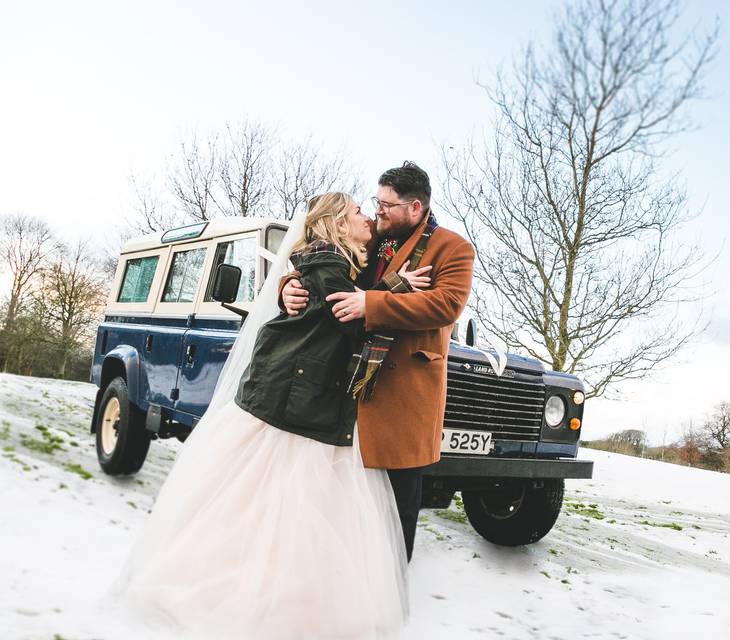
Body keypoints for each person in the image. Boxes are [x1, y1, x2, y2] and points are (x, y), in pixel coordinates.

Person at [114, 192, 430, 639]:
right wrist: (397, 290)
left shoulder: (334, 261)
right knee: (280, 506)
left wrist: (292, 286)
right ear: (338, 224)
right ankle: (256, 607)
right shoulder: (328, 263)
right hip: (295, 401)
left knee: (272, 508)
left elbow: (338, 299)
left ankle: (273, 601)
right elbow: (349, 314)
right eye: (359, 212)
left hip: (301, 398)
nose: (368, 217)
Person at [280, 161, 475, 562]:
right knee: (343, 502)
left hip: (405, 397)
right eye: (376, 202)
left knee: (398, 507)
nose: (377, 211)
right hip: (347, 390)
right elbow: (324, 262)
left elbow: (445, 305)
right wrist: (289, 288)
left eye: (386, 205)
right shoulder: (371, 239)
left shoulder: (453, 248)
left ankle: (390, 595)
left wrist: (371, 303)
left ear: (416, 208)